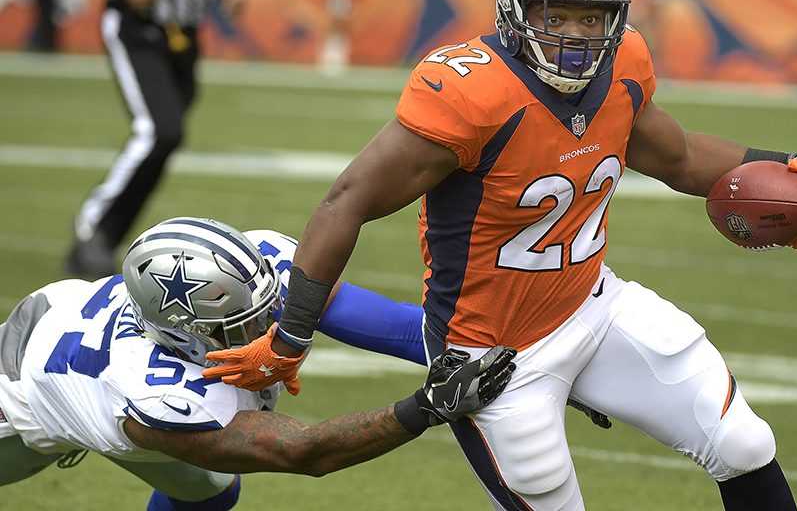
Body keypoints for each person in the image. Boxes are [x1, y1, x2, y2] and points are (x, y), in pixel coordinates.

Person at [210, 0, 797, 511]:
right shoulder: (472, 93)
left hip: (593, 304)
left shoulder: (622, 67)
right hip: (490, 353)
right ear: (516, 14)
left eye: (591, 17)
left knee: (744, 444)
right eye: (554, 14)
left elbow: (677, 156)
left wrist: (786, 165)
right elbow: (346, 200)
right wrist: (289, 341)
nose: (575, 34)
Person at [0, 217, 516, 509]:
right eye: (244, 323)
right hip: (23, 397)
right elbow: (305, 453)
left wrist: (525, 352)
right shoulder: (155, 392)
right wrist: (425, 407)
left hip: (71, 322)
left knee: (210, 494)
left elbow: (410, 331)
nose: (272, 326)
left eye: (268, 303)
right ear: (188, 332)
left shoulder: (260, 263)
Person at [63, 0, 250, 278]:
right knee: (160, 131)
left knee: (166, 138)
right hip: (137, 30)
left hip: (184, 36)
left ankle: (106, 237)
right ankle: (93, 230)